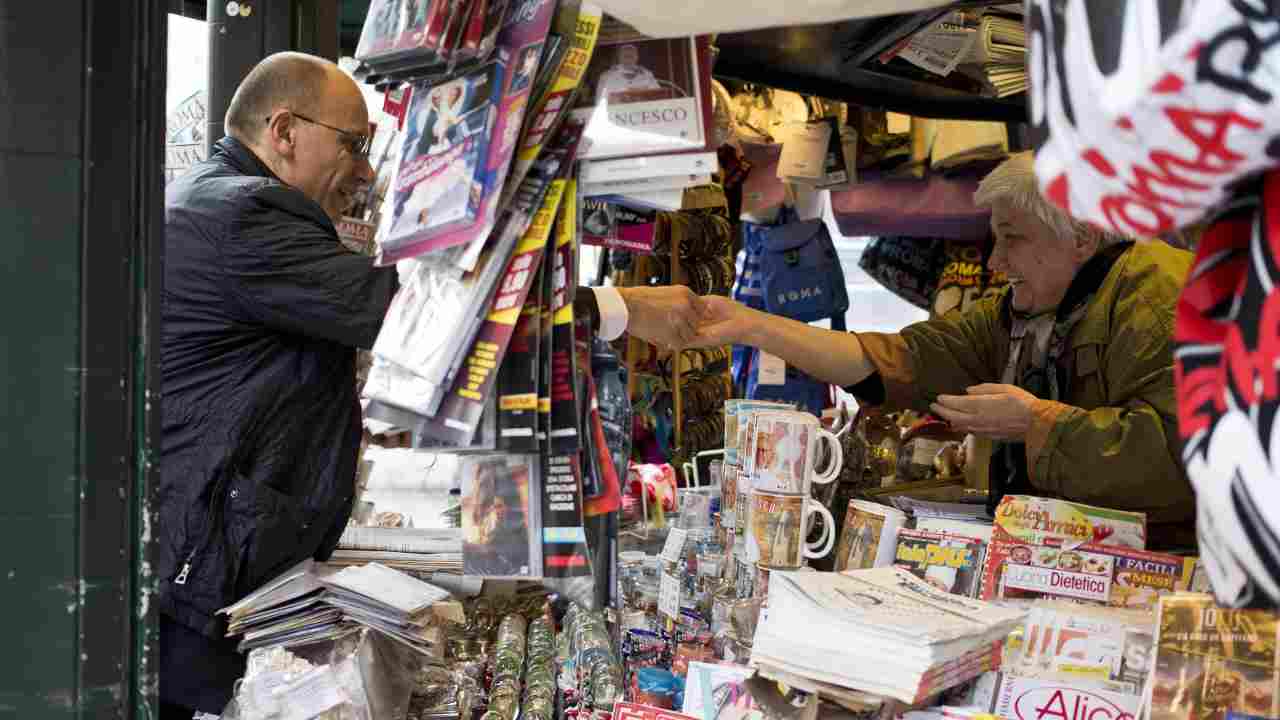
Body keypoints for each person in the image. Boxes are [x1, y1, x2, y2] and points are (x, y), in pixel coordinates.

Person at [160, 52, 704, 717]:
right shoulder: (244, 214)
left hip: (217, 550)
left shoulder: (221, 202)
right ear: (283, 130)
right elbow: (404, 314)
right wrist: (617, 309)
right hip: (208, 569)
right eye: (353, 145)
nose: (364, 169)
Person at [686, 152, 1198, 549]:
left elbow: (1183, 459)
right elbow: (889, 360)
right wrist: (751, 325)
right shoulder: (1023, 311)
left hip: (1165, 573)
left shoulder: (1158, 300)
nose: (996, 261)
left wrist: (1034, 421)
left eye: (1012, 239)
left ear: (1082, 236)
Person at [594, 44, 662, 103]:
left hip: (643, 114)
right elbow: (600, 101)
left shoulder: (647, 74)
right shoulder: (606, 76)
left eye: (631, 55)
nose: (629, 58)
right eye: (626, 55)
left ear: (637, 57)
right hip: (616, 115)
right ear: (619, 57)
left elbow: (658, 96)